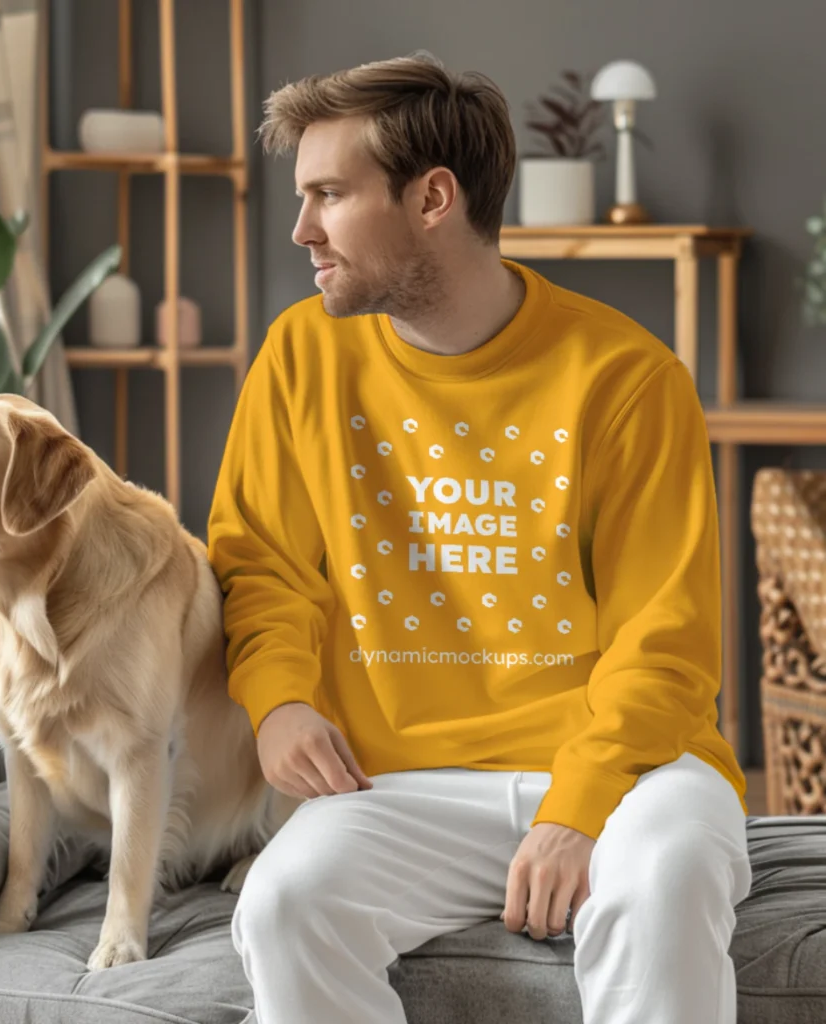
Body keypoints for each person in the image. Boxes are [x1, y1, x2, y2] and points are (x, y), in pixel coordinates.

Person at [206, 51, 751, 1024]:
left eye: (329, 194)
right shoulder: (299, 355)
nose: (301, 229)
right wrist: (278, 700)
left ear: (432, 198)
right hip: (403, 779)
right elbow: (261, 562)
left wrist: (572, 811)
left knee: (661, 882)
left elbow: (663, 640)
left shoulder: (625, 376)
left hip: (633, 770)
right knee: (284, 903)